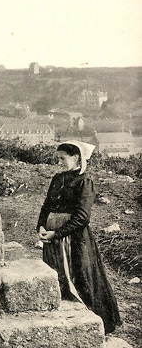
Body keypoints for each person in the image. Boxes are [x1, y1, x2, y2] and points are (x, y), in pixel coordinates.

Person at [37, 140, 121, 334]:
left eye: (63, 158)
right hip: (51, 236)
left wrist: (57, 233)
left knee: (79, 276)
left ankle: (93, 323)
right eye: (58, 158)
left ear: (76, 157)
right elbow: (47, 205)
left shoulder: (85, 181)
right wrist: (41, 225)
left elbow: (82, 217)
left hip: (74, 237)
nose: (59, 162)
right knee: (56, 274)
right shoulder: (58, 179)